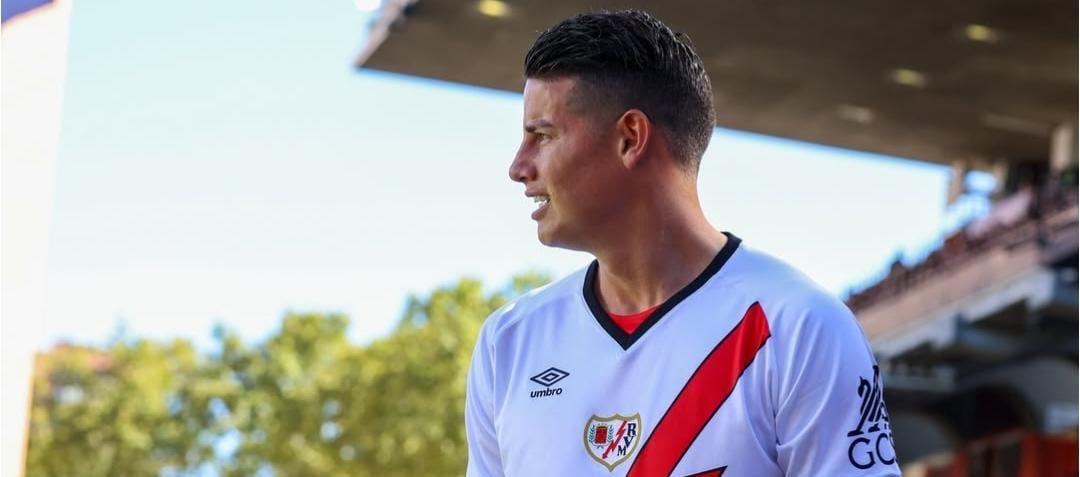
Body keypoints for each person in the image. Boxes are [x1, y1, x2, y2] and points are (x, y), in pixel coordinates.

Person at [465, 10, 901, 477]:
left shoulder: (800, 327)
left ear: (630, 138)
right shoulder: (507, 343)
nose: (518, 167)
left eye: (542, 135)